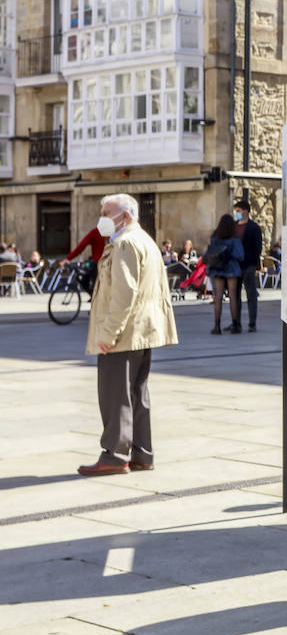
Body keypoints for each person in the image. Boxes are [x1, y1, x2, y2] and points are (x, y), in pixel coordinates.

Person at [78, 194, 179, 476]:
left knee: (115, 395)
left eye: (106, 212)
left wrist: (108, 333)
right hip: (141, 331)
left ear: (125, 216)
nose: (102, 217)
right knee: (137, 393)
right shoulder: (145, 240)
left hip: (125, 333)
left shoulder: (124, 243)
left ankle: (114, 455)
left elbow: (124, 295)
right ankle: (142, 454)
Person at [204, 214, 244, 335]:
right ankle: (235, 325)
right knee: (233, 297)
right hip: (231, 268)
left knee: (218, 297)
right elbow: (240, 255)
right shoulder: (234, 238)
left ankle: (217, 326)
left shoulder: (215, 237)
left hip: (218, 268)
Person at [233, 199, 263, 332]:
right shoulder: (233, 226)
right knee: (235, 295)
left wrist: (252, 263)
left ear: (246, 211)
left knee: (251, 294)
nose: (236, 213)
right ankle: (236, 322)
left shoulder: (254, 227)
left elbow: (258, 247)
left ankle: (252, 323)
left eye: (238, 211)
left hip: (248, 265)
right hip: (235, 265)